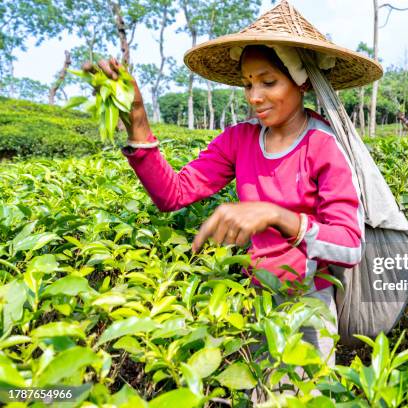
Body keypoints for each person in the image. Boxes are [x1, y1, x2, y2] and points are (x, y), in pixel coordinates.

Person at [82, 0, 383, 370]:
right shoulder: (239, 140)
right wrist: (138, 120)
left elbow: (350, 245)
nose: (255, 97)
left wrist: (277, 216)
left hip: (308, 306)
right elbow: (173, 193)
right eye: (248, 84)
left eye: (268, 82)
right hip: (252, 301)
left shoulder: (322, 146)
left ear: (301, 80)